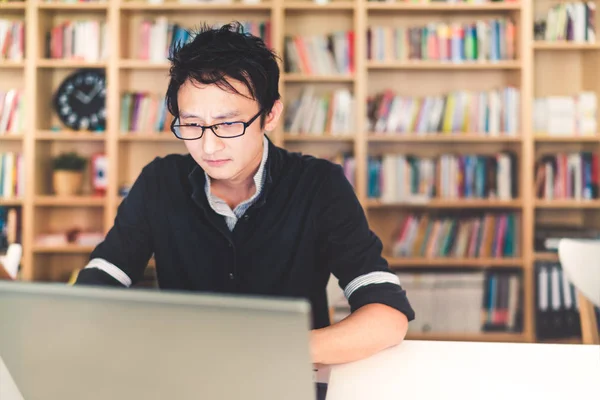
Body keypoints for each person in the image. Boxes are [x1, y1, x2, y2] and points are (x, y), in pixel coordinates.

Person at [75, 22, 415, 366]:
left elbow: (387, 317)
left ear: (270, 115)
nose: (209, 146)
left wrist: (266, 351)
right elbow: (96, 288)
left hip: (288, 377)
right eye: (191, 124)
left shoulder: (319, 184)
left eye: (227, 123)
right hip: (187, 377)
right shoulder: (160, 181)